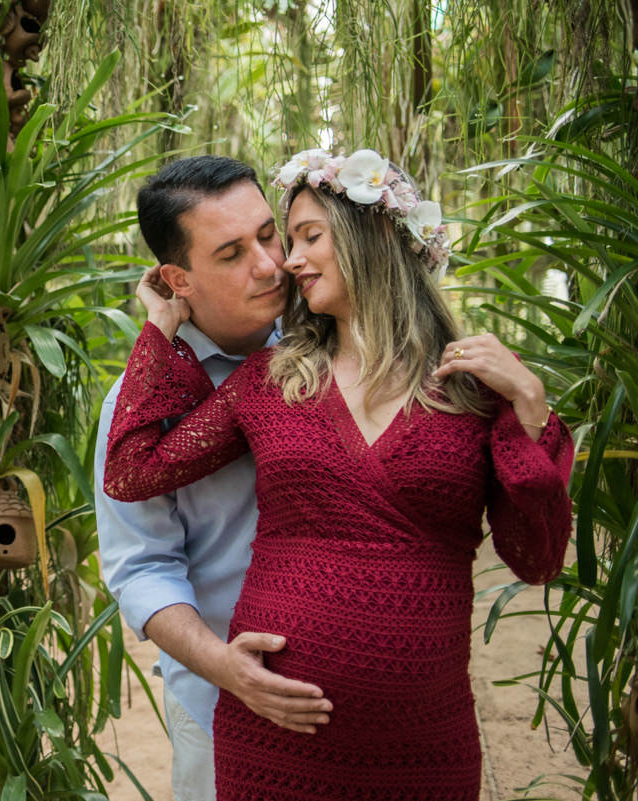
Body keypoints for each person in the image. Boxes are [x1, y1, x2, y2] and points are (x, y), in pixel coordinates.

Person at [103, 148, 574, 801]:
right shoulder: (266, 382)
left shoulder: (469, 389)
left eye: (289, 235)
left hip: (422, 743)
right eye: (236, 252)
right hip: (256, 721)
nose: (280, 262)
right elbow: (131, 481)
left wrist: (531, 409)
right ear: (179, 278)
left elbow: (538, 557)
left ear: (375, 233)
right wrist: (159, 332)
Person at [93, 155, 332, 801]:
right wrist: (225, 667)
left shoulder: (340, 346)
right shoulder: (137, 410)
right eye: (230, 253)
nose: (267, 264)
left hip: (353, 704)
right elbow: (140, 568)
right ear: (178, 278)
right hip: (223, 704)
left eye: (267, 235)